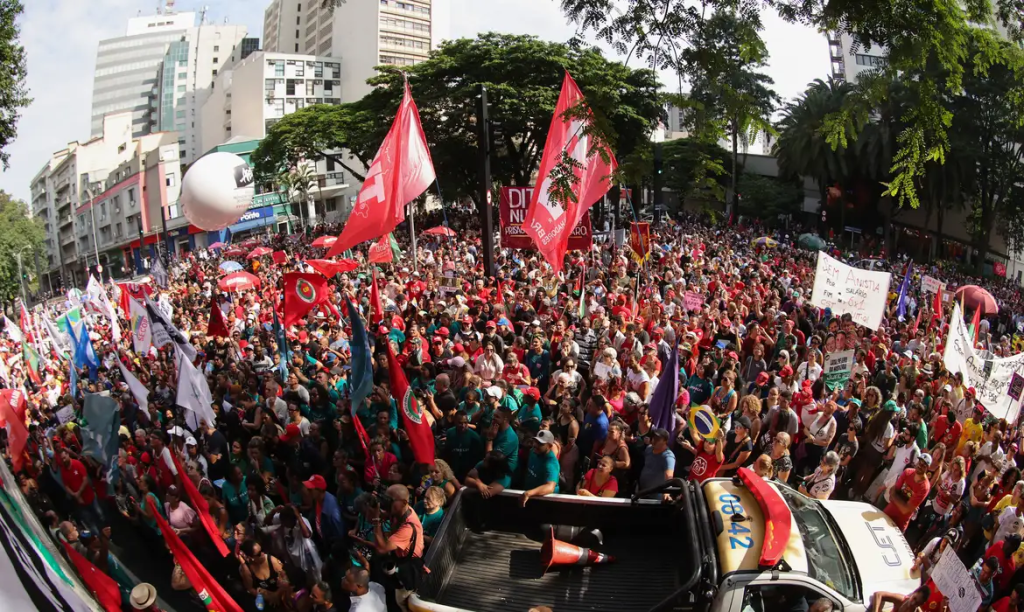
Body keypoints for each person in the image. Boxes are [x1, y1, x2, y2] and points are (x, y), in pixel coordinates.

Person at [884, 454, 933, 532]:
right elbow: (892, 491)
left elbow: (905, 510)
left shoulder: (924, 487)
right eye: (920, 462)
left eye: (924, 465)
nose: (920, 466)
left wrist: (894, 496)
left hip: (900, 522)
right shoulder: (908, 472)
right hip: (889, 511)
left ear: (928, 468)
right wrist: (897, 497)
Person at [521, 430, 560, 506]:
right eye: (535, 441)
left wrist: (528, 493)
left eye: (540, 443)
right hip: (527, 498)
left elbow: (550, 487)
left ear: (549, 446)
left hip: (543, 502)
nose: (536, 445)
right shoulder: (533, 451)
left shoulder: (551, 463)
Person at [638, 428, 676, 497]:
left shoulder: (668, 457)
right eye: (653, 438)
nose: (654, 441)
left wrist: (667, 492)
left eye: (658, 439)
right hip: (643, 492)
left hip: (656, 496)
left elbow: (669, 476)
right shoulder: (649, 449)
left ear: (665, 441)